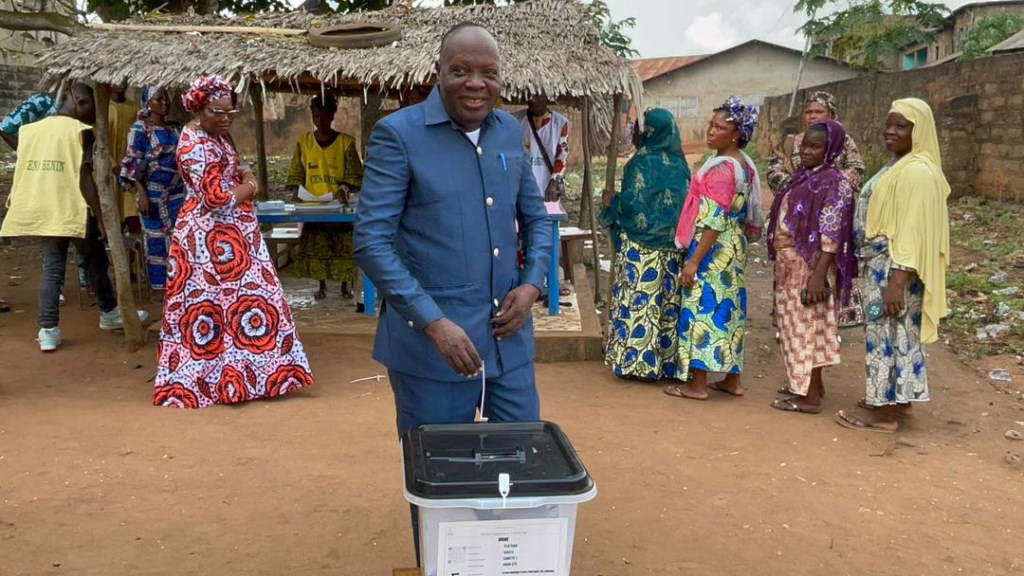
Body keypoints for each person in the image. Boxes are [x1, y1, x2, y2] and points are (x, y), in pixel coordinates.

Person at [354, 22, 552, 437]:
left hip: (507, 342)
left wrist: (533, 284)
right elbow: (372, 241)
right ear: (438, 71)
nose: (476, 84)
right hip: (433, 350)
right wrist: (433, 323)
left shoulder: (507, 134)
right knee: (438, 471)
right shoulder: (399, 135)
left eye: (489, 73)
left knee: (521, 458)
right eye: (461, 70)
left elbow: (536, 219)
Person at [153, 76, 313, 408]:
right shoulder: (193, 143)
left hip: (232, 238)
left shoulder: (216, 136)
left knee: (246, 304)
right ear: (198, 109)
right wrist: (251, 185)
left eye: (231, 112)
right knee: (211, 307)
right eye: (217, 112)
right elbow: (216, 199)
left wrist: (242, 174)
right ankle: (213, 382)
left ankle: (248, 377)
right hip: (206, 243)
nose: (226, 119)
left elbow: (230, 174)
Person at [0, 83, 147, 352]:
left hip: (45, 208)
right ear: (77, 101)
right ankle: (110, 312)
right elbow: (85, 178)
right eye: (91, 105)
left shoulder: (31, 131)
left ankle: (48, 330)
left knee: (53, 268)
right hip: (74, 207)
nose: (96, 113)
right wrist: (101, 217)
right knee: (95, 261)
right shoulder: (80, 131)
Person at [835, 98, 950, 433]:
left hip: (894, 268)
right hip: (888, 265)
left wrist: (896, 284)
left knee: (883, 335)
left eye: (901, 126)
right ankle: (899, 399)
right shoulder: (901, 165)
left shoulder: (916, 172)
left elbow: (913, 231)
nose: (890, 131)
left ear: (920, 131)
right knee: (900, 334)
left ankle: (882, 413)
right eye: (889, 123)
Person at [665, 96, 763, 401]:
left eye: (719, 127)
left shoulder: (722, 169)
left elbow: (713, 219)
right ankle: (732, 380)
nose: (710, 131)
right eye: (711, 125)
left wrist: (694, 261)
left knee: (702, 308)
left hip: (714, 247)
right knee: (730, 309)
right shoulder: (744, 164)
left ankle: (697, 384)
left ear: (735, 134)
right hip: (734, 245)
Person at [766, 119, 856, 414]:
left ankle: (808, 397)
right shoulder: (804, 178)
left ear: (830, 149)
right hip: (789, 263)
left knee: (808, 328)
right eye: (805, 144)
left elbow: (831, 233)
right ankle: (808, 386)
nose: (806, 151)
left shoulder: (833, 183)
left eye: (816, 146)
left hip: (809, 265)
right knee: (795, 327)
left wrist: (818, 276)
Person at [600, 107, 690, 381]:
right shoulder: (682, 166)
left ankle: (635, 363)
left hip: (640, 250)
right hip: (674, 249)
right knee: (667, 305)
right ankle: (666, 364)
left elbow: (632, 203)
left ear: (649, 131)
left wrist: (611, 202)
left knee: (640, 303)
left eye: (640, 128)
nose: (637, 133)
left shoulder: (639, 163)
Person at [768, 91, 867, 333]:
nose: (812, 116)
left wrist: (821, 188)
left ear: (832, 114)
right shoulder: (794, 141)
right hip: (796, 218)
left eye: (818, 112)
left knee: (826, 261)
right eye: (809, 112)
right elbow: (774, 169)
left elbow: (856, 171)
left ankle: (827, 324)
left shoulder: (842, 141)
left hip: (827, 216)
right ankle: (790, 321)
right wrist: (798, 188)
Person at [287, 93, 364, 302]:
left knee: (342, 247)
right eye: (315, 116)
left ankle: (345, 286)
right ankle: (321, 286)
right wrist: (296, 193)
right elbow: (295, 173)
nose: (319, 120)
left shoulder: (346, 143)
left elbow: (355, 174)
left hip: (337, 206)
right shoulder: (304, 142)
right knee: (317, 246)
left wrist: (345, 188)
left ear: (332, 116)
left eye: (323, 115)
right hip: (311, 206)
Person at [118, 86, 185, 298]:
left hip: (177, 193)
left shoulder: (174, 130)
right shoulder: (140, 130)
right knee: (156, 239)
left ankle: (179, 285)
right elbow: (132, 163)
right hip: (153, 195)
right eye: (159, 99)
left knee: (179, 239)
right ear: (148, 102)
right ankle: (160, 288)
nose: (164, 103)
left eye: (166, 99)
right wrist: (142, 193)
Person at [513, 93, 569, 201]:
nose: (532, 100)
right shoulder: (515, 120)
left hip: (547, 188)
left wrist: (554, 180)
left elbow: (562, 156)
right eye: (529, 95)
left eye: (537, 95)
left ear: (547, 97)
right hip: (521, 189)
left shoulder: (560, 124)